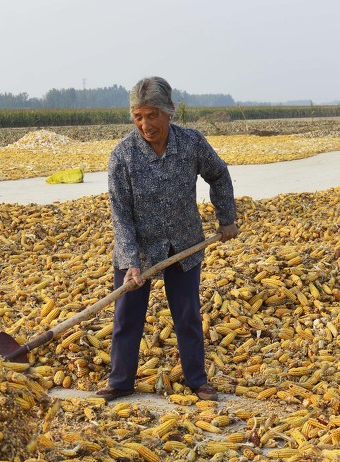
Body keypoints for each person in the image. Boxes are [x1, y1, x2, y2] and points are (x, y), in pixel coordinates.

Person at [98, 76, 239, 403]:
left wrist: (226, 218)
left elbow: (218, 174)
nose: (145, 124)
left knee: (187, 314)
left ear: (169, 112)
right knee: (126, 317)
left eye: (152, 115)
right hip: (138, 249)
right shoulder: (123, 156)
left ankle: (196, 379)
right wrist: (132, 263)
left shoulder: (191, 144)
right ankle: (120, 381)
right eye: (138, 117)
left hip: (184, 245)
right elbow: (120, 214)